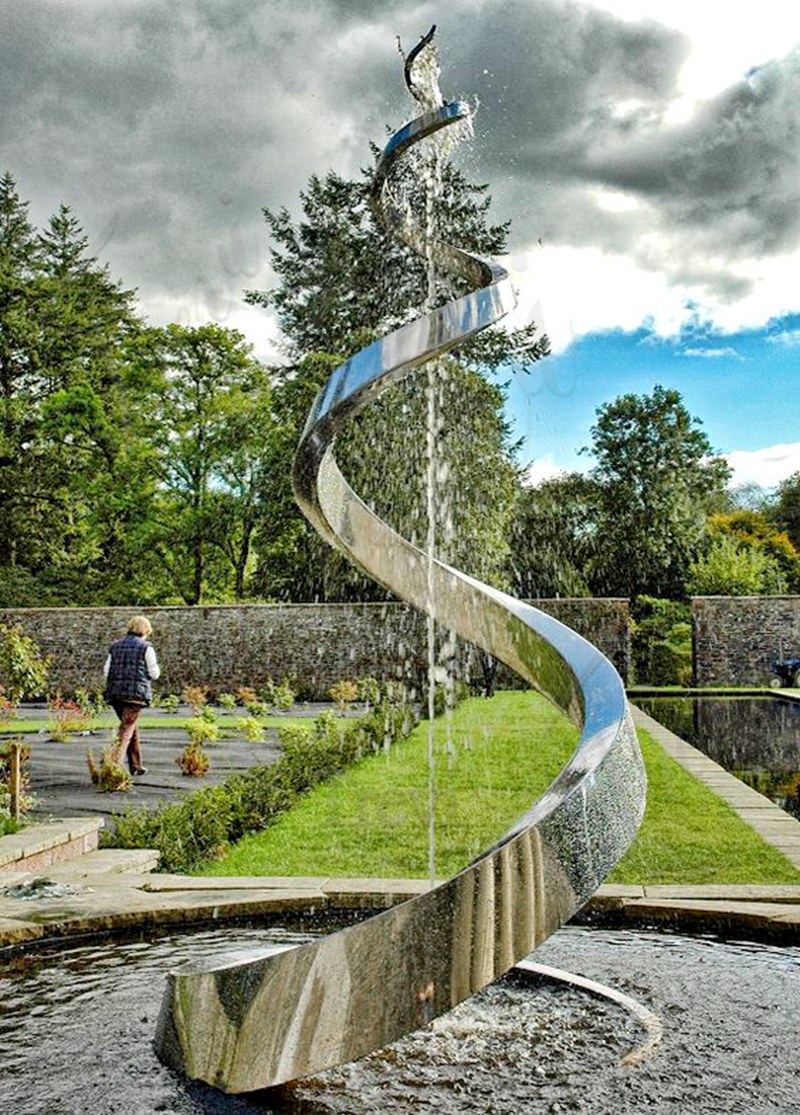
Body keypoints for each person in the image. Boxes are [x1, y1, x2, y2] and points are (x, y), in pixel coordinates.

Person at [103, 615, 160, 776]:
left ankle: (136, 765)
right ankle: (112, 767)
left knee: (129, 726)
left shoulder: (115, 647)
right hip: (135, 695)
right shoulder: (146, 648)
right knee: (126, 729)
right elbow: (154, 673)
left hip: (115, 693)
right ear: (145, 630)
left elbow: (106, 671)